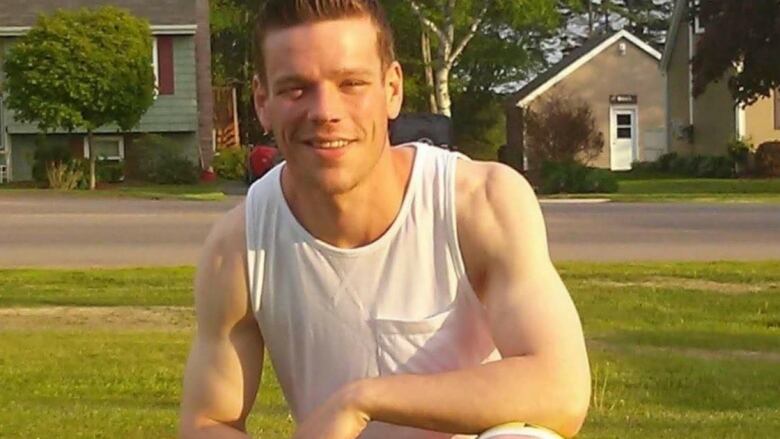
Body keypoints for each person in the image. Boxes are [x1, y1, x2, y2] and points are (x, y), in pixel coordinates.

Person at [178, 1, 591, 438]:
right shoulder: (241, 245)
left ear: (392, 89)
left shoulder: (479, 203)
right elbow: (208, 421)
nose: (325, 111)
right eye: (296, 89)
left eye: (351, 83)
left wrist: (361, 401)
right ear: (263, 102)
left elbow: (559, 391)